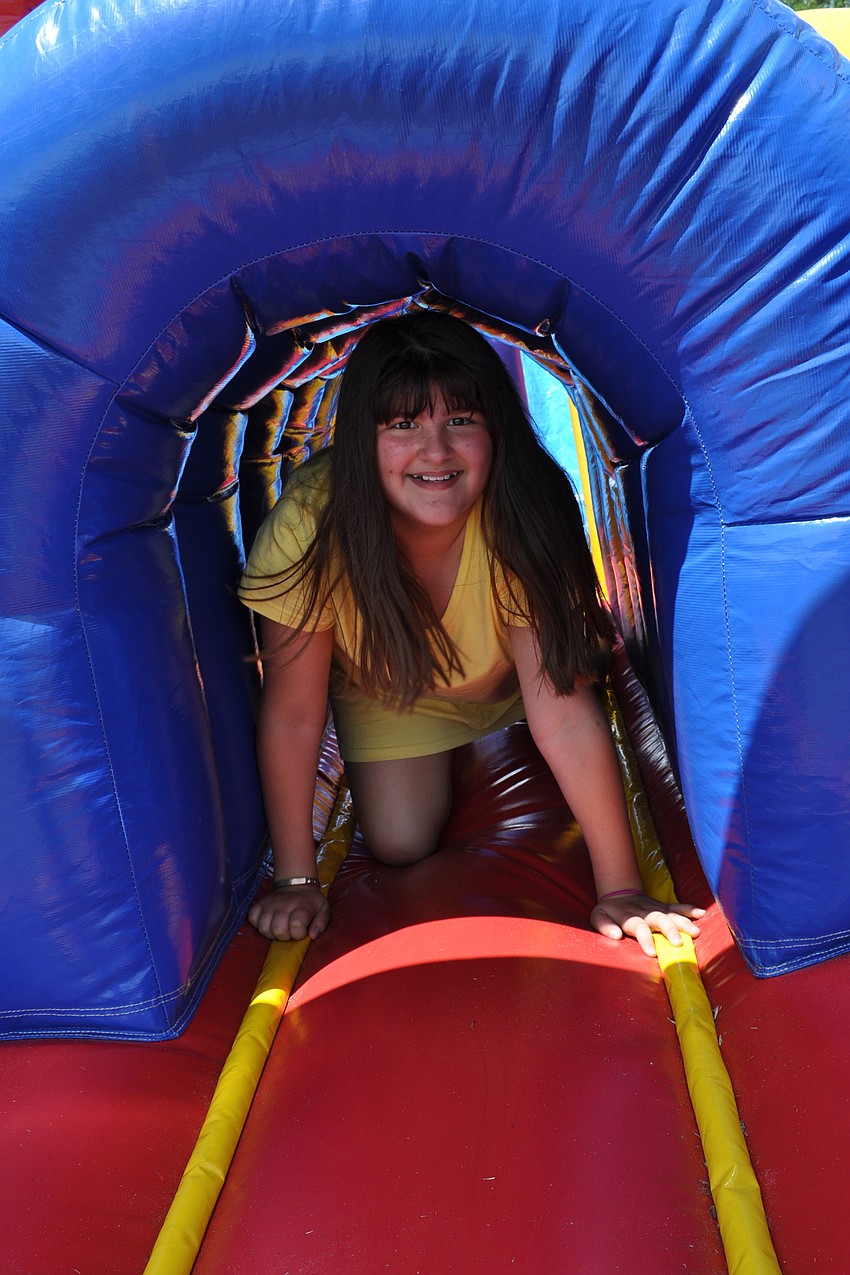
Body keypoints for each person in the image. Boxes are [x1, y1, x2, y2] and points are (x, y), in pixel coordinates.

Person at [238, 310, 704, 954]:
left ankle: (522, 712)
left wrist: (619, 887)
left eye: (461, 420)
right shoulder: (310, 526)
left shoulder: (524, 506)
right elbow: (292, 712)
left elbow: (564, 713)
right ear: (359, 439)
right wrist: (296, 878)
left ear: (496, 427)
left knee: (561, 720)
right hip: (391, 687)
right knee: (400, 842)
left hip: (517, 675)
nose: (436, 451)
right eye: (403, 425)